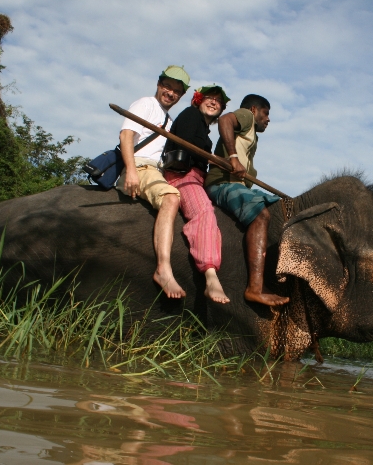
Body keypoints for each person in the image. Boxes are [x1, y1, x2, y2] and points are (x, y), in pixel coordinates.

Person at [204, 94, 289, 307]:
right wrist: (233, 157)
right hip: (223, 184)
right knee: (261, 214)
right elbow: (224, 120)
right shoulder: (246, 117)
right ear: (253, 110)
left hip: (236, 185)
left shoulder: (252, 135)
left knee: (279, 205)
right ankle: (254, 288)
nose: (268, 119)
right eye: (266, 113)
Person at [115, 65, 189, 299]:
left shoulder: (167, 119)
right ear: (159, 85)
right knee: (170, 197)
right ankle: (163, 269)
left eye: (177, 91)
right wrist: (131, 171)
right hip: (140, 166)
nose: (171, 93)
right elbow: (126, 135)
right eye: (167, 86)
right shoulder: (146, 104)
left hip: (155, 169)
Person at [161, 85, 232, 304]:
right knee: (204, 213)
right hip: (182, 175)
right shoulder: (190, 115)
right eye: (209, 98)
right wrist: (214, 159)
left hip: (198, 177)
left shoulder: (203, 127)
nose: (213, 103)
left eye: (218, 102)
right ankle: (211, 276)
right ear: (198, 100)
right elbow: (185, 143)